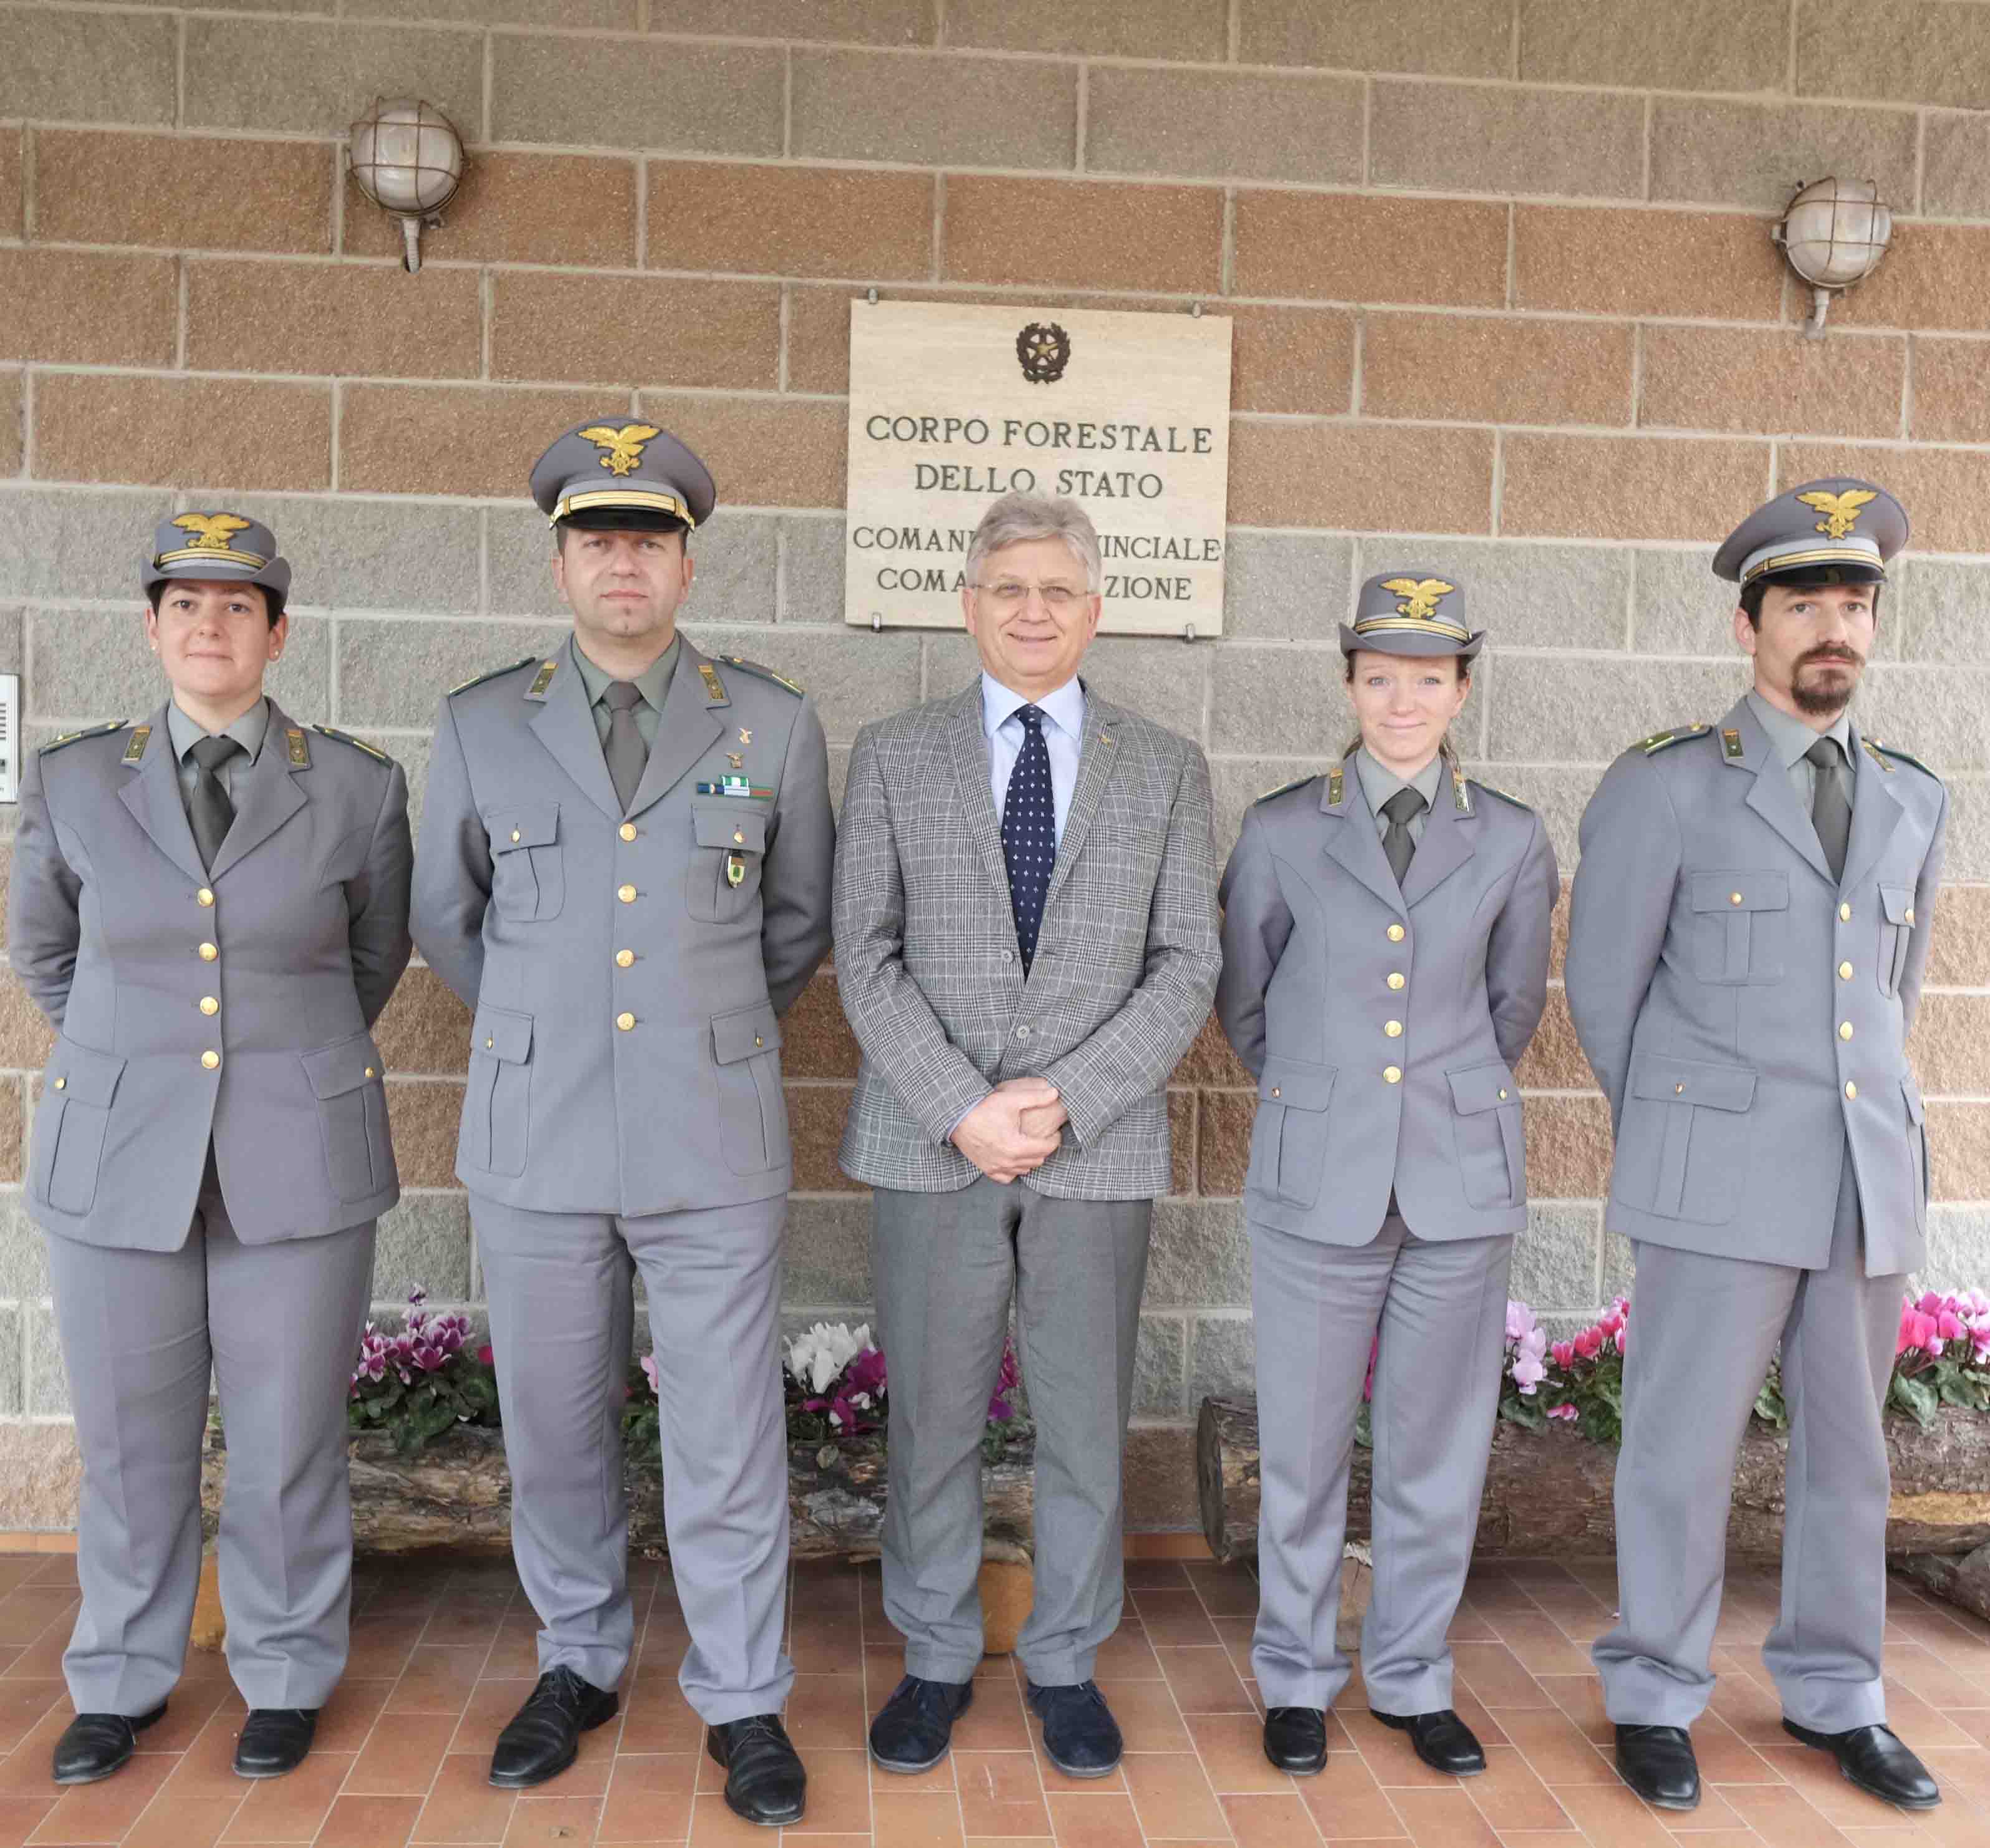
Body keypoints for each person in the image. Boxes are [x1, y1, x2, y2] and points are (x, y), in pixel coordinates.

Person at [410, 418, 833, 1826]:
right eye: (600, 539)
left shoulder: (771, 720)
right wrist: (551, 1023)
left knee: (725, 1432)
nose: (625, 563)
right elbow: (447, 923)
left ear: (688, 562)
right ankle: (579, 1660)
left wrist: (681, 1033)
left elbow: (794, 925)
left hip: (709, 1133)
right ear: (561, 564)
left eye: (649, 539)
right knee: (554, 1422)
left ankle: (743, 1695)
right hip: (536, 1132)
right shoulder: (481, 722)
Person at [7, 513, 411, 1785]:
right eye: (185, 605)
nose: (209, 627)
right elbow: (45, 956)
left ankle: (286, 1669)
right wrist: (153, 1074)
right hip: (120, 1153)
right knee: (132, 1436)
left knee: (289, 1431)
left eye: (238, 607)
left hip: (294, 1156)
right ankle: (121, 1677)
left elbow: (371, 958)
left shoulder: (355, 785)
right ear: (151, 627)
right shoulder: (75, 780)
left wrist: (258, 1068)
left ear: (277, 632)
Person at [1567, 479, 1947, 1814]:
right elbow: (1605, 996)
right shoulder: (1668, 786)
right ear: (1751, 627)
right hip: (1715, 1178)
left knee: (1853, 1457)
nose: (1833, 628)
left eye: (1854, 604)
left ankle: (1838, 1694)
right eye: (1805, 605)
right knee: (1679, 1450)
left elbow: (1886, 1006)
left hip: (1861, 1184)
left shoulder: (1913, 798)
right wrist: (1688, 1132)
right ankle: (1656, 1691)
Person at [834, 492, 1221, 1780]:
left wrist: (1066, 1098)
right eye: (1010, 590)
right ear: (970, 607)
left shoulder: (1165, 768)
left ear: (1097, 608)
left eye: (1059, 589)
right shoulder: (893, 755)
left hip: (1093, 1147)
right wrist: (962, 1105)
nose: (1035, 611)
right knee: (932, 1422)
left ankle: (1065, 1662)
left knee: (1081, 1421)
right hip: (931, 1139)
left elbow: (1186, 963)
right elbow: (864, 954)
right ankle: (935, 1656)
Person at [1215, 571, 1554, 1779]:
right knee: (1301, 1452)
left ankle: (1412, 1676)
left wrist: (1425, 1102)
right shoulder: (1280, 829)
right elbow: (1245, 1002)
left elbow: (1512, 1006)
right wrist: (1336, 1089)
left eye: (1426, 679)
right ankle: (1297, 1679)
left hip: (1458, 1181)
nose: (1400, 701)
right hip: (1322, 1176)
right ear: (1348, 684)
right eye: (1378, 677)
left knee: (1436, 1451)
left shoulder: (1510, 835)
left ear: (1462, 690)